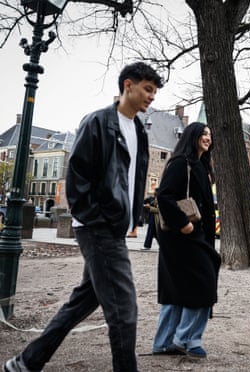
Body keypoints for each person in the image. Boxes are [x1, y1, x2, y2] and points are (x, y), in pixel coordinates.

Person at [3, 62, 164, 372]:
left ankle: (25, 362)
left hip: (113, 228)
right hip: (98, 228)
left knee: (82, 302)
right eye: (147, 89)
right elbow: (77, 180)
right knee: (124, 308)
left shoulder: (140, 132)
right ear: (127, 85)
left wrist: (129, 219)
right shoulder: (97, 122)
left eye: (154, 92)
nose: (151, 97)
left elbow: (132, 179)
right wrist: (96, 218)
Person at [151, 122, 221, 359]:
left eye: (210, 135)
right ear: (192, 136)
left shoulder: (200, 165)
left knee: (176, 290)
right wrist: (184, 223)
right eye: (203, 133)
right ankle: (185, 338)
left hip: (190, 238)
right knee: (204, 286)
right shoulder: (181, 164)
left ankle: (163, 343)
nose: (207, 138)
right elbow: (164, 196)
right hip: (183, 237)